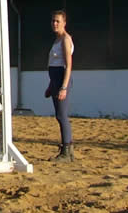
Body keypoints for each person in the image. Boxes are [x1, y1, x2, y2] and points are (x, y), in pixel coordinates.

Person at [44, 10, 75, 162]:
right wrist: (51, 86)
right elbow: (54, 63)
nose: (54, 24)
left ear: (64, 23)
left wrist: (63, 87)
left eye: (57, 21)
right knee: (59, 115)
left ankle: (67, 151)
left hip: (62, 79)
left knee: (62, 115)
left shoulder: (65, 40)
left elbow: (68, 66)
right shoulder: (56, 40)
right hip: (55, 80)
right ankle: (66, 149)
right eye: (53, 21)